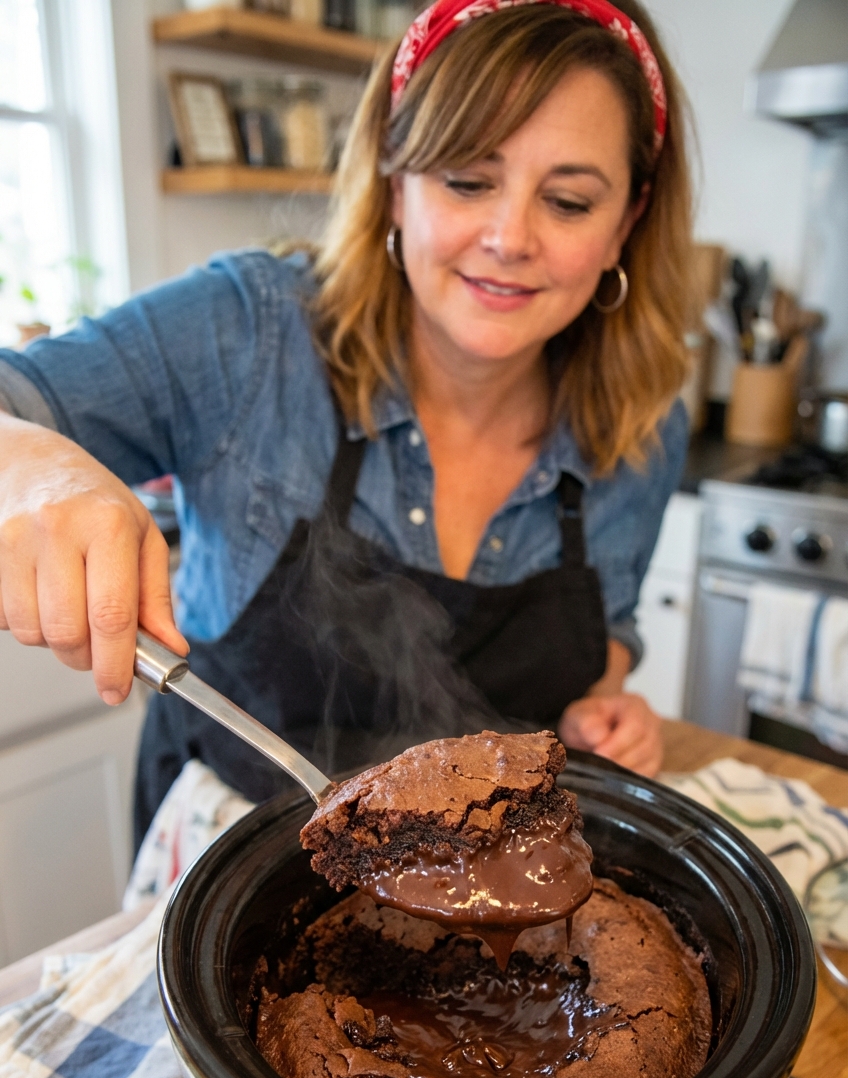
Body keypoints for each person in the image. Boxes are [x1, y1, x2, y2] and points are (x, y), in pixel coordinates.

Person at [0, 0, 691, 848]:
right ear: (395, 180)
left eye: (570, 201)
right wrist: (34, 470)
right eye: (467, 181)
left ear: (628, 219)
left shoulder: (644, 433)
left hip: (487, 875)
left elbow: (608, 633)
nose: (510, 237)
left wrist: (602, 707)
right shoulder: (247, 332)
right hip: (225, 856)